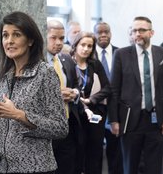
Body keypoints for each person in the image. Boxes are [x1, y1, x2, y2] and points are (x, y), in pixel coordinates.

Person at [0, 11, 69, 174]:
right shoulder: (6, 76)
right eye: (5, 35)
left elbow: (60, 128)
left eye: (16, 35)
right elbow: (7, 130)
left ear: (30, 40)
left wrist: (20, 115)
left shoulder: (45, 73)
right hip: (6, 168)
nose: (9, 41)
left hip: (37, 169)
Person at [108, 16, 163, 174]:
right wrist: (114, 120)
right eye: (134, 30)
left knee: (154, 167)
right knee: (130, 166)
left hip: (155, 120)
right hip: (130, 120)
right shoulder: (121, 54)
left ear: (151, 33)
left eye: (142, 30)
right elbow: (114, 90)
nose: (137, 33)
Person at [70, 31, 111, 174]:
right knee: (76, 153)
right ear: (75, 45)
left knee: (94, 154)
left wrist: (90, 100)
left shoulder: (95, 64)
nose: (86, 49)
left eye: (89, 46)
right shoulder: (67, 62)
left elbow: (107, 88)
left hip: (94, 113)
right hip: (74, 114)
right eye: (83, 45)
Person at [46, 20, 81, 174]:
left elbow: (77, 88)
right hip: (46, 129)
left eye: (61, 38)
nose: (59, 43)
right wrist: (56, 96)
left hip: (67, 126)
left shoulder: (66, 61)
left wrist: (75, 94)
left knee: (67, 168)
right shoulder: (35, 64)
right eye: (54, 38)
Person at [93, 22, 123, 174]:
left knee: (115, 151)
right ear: (95, 34)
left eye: (106, 32)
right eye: (100, 32)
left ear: (111, 33)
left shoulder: (121, 53)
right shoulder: (89, 54)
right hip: (95, 108)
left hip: (117, 109)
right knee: (96, 150)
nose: (103, 35)